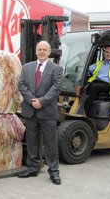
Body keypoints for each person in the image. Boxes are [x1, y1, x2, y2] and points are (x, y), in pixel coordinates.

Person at [18, 41, 63, 185]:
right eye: (39, 49)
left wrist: (41, 101)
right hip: (31, 110)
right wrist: (32, 100)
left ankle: (54, 171)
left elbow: (56, 88)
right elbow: (21, 85)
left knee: (50, 143)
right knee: (32, 141)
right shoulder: (27, 67)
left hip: (47, 111)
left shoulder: (57, 69)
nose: (42, 51)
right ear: (36, 52)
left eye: (45, 49)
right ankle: (32, 168)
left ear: (49, 52)